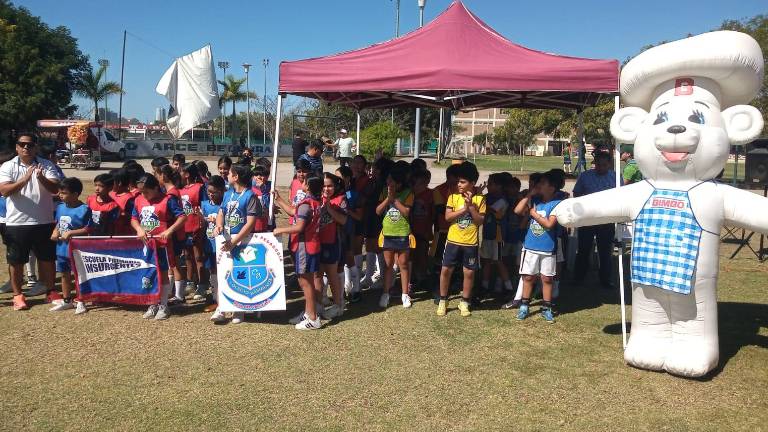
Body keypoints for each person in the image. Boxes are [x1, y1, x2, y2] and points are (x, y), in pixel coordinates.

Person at [0, 133, 62, 310]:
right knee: (16, 261)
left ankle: (50, 291)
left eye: (30, 144)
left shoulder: (46, 164)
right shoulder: (8, 166)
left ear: (36, 147)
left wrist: (41, 178)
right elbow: (4, 191)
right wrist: (25, 179)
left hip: (44, 221)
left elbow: (55, 189)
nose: (26, 147)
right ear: (17, 147)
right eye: (22, 144)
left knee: (47, 259)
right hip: (17, 222)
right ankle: (18, 295)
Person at [212, 164, 262, 324]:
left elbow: (250, 223)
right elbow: (221, 212)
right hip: (226, 240)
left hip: (242, 242)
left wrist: (235, 241)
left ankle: (239, 309)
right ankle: (221, 308)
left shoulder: (250, 196)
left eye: (230, 173)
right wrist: (218, 225)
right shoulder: (228, 194)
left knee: (239, 275)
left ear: (236, 177)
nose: (227, 175)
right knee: (223, 273)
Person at [131, 174, 186, 320]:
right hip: (146, 245)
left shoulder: (167, 200)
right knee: (149, 273)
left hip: (162, 245)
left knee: (162, 273)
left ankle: (164, 305)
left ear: (156, 188)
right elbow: (134, 218)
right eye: (141, 192)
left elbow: (182, 216)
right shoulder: (138, 200)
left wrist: (169, 231)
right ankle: (152, 303)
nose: (144, 195)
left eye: (146, 192)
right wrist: (139, 229)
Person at [273, 176, 323, 330]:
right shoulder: (314, 203)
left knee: (305, 282)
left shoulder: (306, 205)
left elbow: (299, 227)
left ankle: (313, 318)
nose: (301, 182)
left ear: (308, 186)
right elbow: (293, 212)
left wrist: (281, 230)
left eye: (304, 181)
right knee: (307, 281)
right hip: (312, 246)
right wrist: (279, 199)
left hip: (304, 247)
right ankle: (309, 313)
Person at [437, 161, 485, 317]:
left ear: (473, 183)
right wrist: (464, 209)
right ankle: (443, 300)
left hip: (470, 243)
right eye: (458, 181)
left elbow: (480, 221)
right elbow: (448, 217)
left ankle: (464, 301)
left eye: (463, 182)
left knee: (469, 273)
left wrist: (470, 207)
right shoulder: (453, 197)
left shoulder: (480, 199)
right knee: (446, 270)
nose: (459, 184)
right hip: (453, 241)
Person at [514, 171, 562, 323]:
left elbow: (549, 224)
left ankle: (546, 308)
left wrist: (534, 214)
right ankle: (524, 306)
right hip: (531, 246)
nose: (538, 185)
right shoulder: (534, 200)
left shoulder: (556, 204)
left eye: (542, 183)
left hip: (547, 248)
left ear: (552, 187)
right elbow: (517, 210)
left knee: (547, 278)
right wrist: (529, 195)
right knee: (528, 277)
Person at [572, 152, 617, 289]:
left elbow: (620, 196)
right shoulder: (585, 176)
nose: (601, 168)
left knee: (605, 251)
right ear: (594, 163)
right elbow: (576, 193)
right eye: (598, 165)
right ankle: (578, 278)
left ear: (609, 164)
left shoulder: (615, 177)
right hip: (587, 218)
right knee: (583, 249)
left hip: (606, 219)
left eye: (604, 165)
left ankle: (605, 280)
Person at [49, 177, 91, 313]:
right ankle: (67, 300)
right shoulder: (60, 207)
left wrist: (71, 232)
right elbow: (58, 223)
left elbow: (88, 229)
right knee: (64, 274)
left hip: (77, 250)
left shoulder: (84, 209)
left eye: (64, 193)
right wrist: (55, 232)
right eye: (59, 192)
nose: (60, 195)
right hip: (61, 249)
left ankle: (81, 300)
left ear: (75, 194)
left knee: (79, 275)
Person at [375, 163, 414, 309]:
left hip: (402, 233)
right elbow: (378, 211)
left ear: (399, 183)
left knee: (403, 264)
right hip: (388, 233)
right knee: (388, 265)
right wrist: (388, 198)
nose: (388, 182)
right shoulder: (384, 192)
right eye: (387, 180)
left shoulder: (408, 193)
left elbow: (406, 212)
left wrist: (395, 200)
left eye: (391, 180)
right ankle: (386, 293)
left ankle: (405, 294)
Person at [317, 172, 348, 318]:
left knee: (332, 275)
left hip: (332, 242)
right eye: (323, 186)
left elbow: (343, 220)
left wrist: (329, 207)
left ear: (335, 186)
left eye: (330, 186)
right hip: (316, 242)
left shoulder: (341, 199)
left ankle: (338, 305)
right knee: (317, 275)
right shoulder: (315, 198)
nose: (326, 189)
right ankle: (317, 305)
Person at [479, 173, 513, 296]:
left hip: (497, 236)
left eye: (491, 184)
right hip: (487, 234)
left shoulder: (503, 200)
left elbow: (490, 209)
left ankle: (509, 287)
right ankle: (485, 285)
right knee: (486, 260)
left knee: (499, 261)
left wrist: (479, 198)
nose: (488, 186)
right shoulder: (487, 197)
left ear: (499, 186)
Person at [179, 163, 208, 300]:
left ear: (187, 174)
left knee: (198, 256)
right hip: (184, 227)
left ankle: (202, 284)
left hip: (196, 226)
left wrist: (202, 224)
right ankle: (190, 282)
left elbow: (204, 206)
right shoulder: (180, 189)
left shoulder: (199, 188)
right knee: (187, 256)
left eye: (181, 171)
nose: (179, 173)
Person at [201, 175, 226, 318]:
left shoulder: (226, 204)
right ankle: (216, 299)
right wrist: (201, 218)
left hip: (223, 244)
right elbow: (203, 224)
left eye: (214, 192)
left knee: (223, 270)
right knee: (213, 271)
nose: (211, 194)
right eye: (209, 191)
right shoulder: (205, 204)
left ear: (222, 191)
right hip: (209, 243)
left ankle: (226, 298)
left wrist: (217, 220)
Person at [409, 169, 433, 292]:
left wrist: (428, 230)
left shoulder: (430, 195)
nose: (414, 187)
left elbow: (432, 215)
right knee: (412, 255)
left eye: (417, 184)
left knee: (422, 254)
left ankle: (422, 278)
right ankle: (412, 278)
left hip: (423, 230)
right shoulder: (411, 195)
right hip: (411, 230)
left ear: (425, 183)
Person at [109, 168, 137, 236]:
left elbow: (133, 217)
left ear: (119, 183)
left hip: (123, 234)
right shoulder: (110, 194)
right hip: (109, 232)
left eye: (111, 182)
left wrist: (122, 214)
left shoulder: (130, 199)